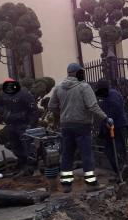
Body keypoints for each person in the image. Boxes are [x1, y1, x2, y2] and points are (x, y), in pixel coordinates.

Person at [48, 63, 112, 192]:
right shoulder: (84, 87)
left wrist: (62, 114)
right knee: (86, 154)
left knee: (66, 154)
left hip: (65, 125)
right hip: (82, 125)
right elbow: (93, 106)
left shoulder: (58, 88)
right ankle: (91, 184)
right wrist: (106, 118)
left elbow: (51, 106)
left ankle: (66, 185)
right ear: (78, 73)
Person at [0, 78, 38, 175]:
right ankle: (22, 164)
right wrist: (5, 113)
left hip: (23, 124)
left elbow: (33, 110)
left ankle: (31, 166)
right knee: (15, 145)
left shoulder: (24, 94)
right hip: (11, 124)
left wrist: (31, 125)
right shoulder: (3, 95)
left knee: (28, 146)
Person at [95, 78, 128, 180]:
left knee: (116, 150)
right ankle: (119, 172)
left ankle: (121, 172)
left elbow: (115, 108)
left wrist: (109, 120)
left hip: (116, 127)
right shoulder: (109, 94)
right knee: (111, 151)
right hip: (113, 127)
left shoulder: (112, 94)